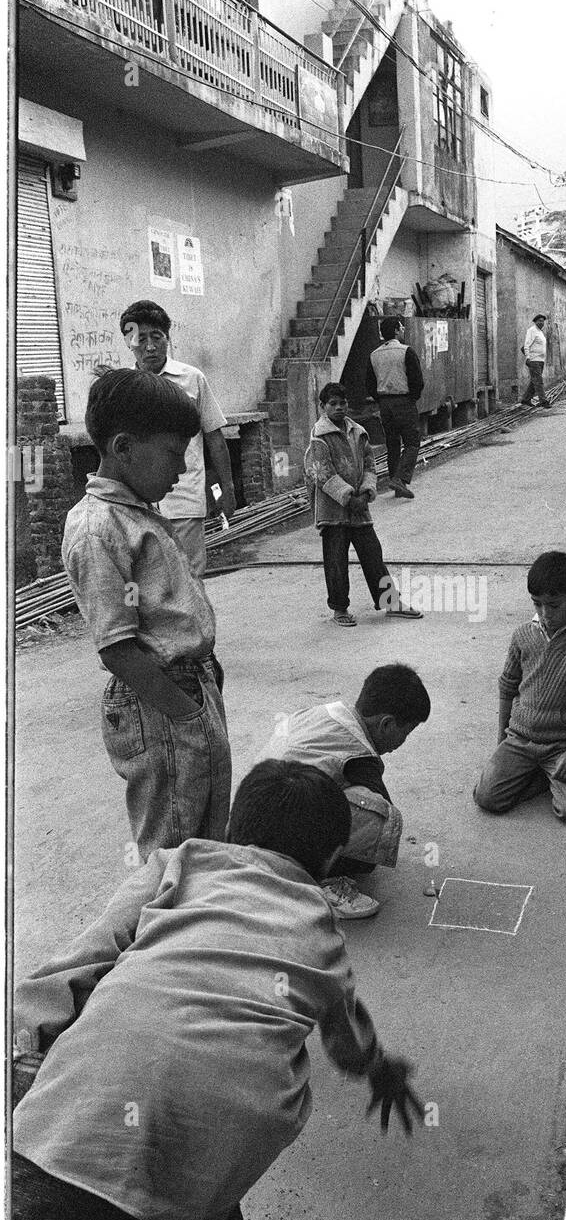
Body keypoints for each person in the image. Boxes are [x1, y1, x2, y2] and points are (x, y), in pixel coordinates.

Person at [10, 760, 423, 1220]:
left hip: (93, 1100)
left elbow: (79, 964)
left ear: (232, 829)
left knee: (54, 1204)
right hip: (229, 1129)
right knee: (202, 1194)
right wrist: (379, 1069)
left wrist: (21, 1050)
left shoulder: (177, 863)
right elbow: (348, 1037)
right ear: (331, 861)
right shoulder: (318, 927)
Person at [61, 368, 232, 861]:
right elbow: (117, 647)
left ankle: (194, 927)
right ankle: (157, 931)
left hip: (185, 688)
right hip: (157, 702)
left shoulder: (137, 512)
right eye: (174, 454)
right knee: (171, 850)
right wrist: (184, 711)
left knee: (204, 836)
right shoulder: (99, 528)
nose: (182, 469)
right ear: (124, 447)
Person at [259, 664, 432, 920]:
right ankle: (315, 882)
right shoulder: (360, 754)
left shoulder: (324, 712)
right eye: (405, 733)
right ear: (386, 724)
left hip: (250, 815)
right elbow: (384, 818)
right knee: (377, 824)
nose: (402, 742)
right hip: (278, 845)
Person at [474, 551, 566, 823]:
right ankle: (538, 775)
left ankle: (549, 773)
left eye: (554, 605)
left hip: (562, 743)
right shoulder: (522, 634)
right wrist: (502, 741)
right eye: (537, 604)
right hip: (520, 738)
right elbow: (507, 688)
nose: (545, 614)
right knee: (487, 798)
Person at [119, 300, 236, 576]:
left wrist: (227, 490)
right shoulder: (123, 389)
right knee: (148, 581)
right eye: (140, 339)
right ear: (129, 343)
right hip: (138, 505)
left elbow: (215, 438)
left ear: (168, 339)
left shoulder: (192, 379)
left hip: (184, 499)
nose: (149, 347)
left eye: (157, 337)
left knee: (190, 578)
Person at [304, 382, 423, 626]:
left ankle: (391, 602)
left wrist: (367, 491)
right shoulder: (319, 436)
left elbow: (370, 464)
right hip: (334, 510)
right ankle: (339, 609)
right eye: (332, 404)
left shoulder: (358, 432)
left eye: (342, 403)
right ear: (322, 406)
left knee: (372, 554)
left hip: (360, 507)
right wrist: (349, 496)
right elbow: (322, 473)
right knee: (335, 560)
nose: (339, 408)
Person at [366, 315, 424, 499]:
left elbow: (369, 384)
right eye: (401, 328)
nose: (403, 330)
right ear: (397, 331)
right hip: (403, 401)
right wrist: (412, 398)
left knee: (392, 443)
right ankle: (400, 479)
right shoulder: (406, 351)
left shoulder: (374, 355)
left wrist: (381, 399)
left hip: (384, 404)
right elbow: (417, 380)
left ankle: (395, 481)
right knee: (412, 442)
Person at [521, 314, 551, 407]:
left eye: (543, 321)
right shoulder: (532, 331)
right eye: (539, 321)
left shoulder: (540, 332)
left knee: (534, 381)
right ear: (535, 322)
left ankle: (526, 399)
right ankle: (543, 402)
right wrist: (528, 358)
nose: (542, 323)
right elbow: (526, 345)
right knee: (538, 381)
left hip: (540, 360)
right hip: (534, 360)